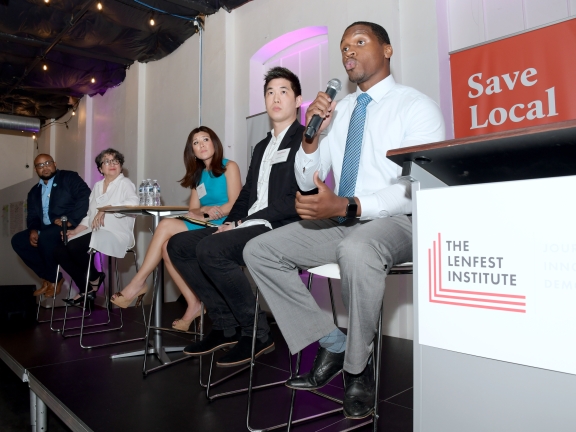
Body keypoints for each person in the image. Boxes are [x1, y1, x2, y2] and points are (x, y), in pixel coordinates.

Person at [243, 22, 445, 419]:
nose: (348, 52)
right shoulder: (341, 111)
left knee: (356, 248)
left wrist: (348, 206)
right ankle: (331, 341)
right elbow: (307, 178)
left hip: (397, 221)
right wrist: (311, 138)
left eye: (359, 42)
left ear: (387, 50)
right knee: (259, 250)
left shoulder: (415, 106)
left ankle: (357, 369)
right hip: (341, 218)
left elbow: (415, 188)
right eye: (343, 47)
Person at [167, 66, 305, 367]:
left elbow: (295, 198)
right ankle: (226, 325)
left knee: (211, 249)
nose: (276, 98)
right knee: (178, 246)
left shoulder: (305, 140)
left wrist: (240, 223)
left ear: (297, 100)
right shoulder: (261, 146)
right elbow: (246, 194)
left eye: (283, 91)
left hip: (280, 224)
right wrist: (231, 221)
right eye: (270, 92)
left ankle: (256, 333)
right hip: (250, 222)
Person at [110, 127, 242, 331]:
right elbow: (193, 208)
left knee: (165, 224)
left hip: (224, 224)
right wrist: (204, 210)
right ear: (192, 151)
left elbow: (235, 203)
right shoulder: (197, 175)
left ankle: (138, 283)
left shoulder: (229, 167)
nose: (202, 145)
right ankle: (194, 304)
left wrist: (207, 213)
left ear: (214, 143)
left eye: (205, 140)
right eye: (196, 143)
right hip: (204, 221)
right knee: (166, 248)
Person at [54, 149, 139, 305]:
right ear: (100, 168)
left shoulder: (124, 183)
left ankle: (93, 278)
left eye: (115, 161)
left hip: (116, 233)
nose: (112, 164)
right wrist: (75, 231)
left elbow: (133, 204)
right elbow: (89, 216)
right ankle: (88, 286)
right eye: (107, 161)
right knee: (60, 250)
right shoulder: (97, 186)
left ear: (120, 166)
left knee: (74, 247)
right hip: (96, 231)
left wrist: (105, 208)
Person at [11, 154, 90, 298]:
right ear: (36, 170)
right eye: (40, 165)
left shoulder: (68, 178)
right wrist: (33, 230)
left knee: (46, 237)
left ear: (55, 164)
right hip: (45, 229)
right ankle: (49, 277)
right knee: (18, 240)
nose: (44, 167)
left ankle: (52, 280)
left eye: (47, 163)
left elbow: (86, 196)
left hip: (67, 226)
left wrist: (71, 220)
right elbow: (33, 216)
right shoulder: (34, 192)